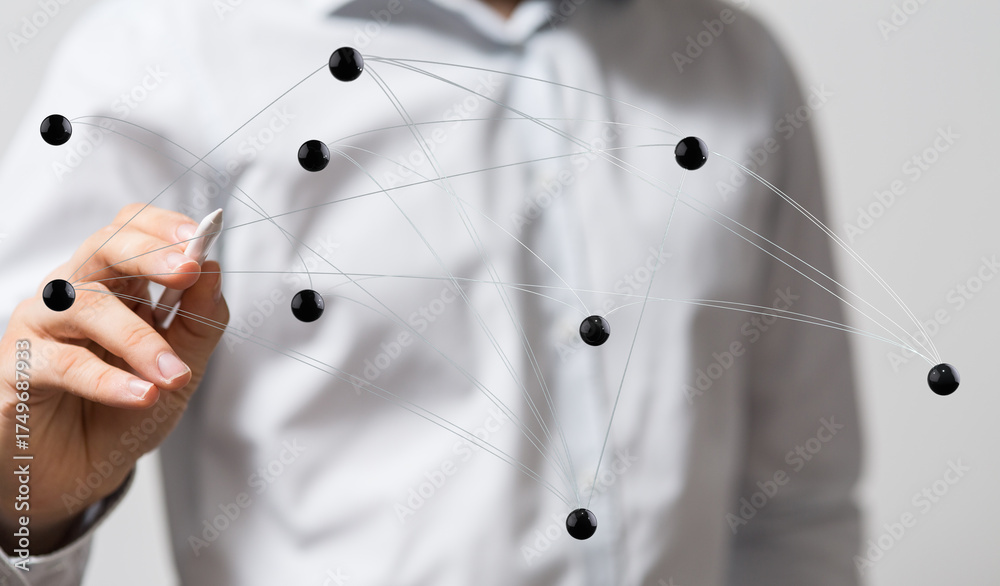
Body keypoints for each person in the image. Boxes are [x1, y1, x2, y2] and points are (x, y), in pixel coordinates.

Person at [0, 0, 863, 583]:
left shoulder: (738, 64)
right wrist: (24, 502)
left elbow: (798, 508)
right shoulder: (164, 54)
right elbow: (30, 451)